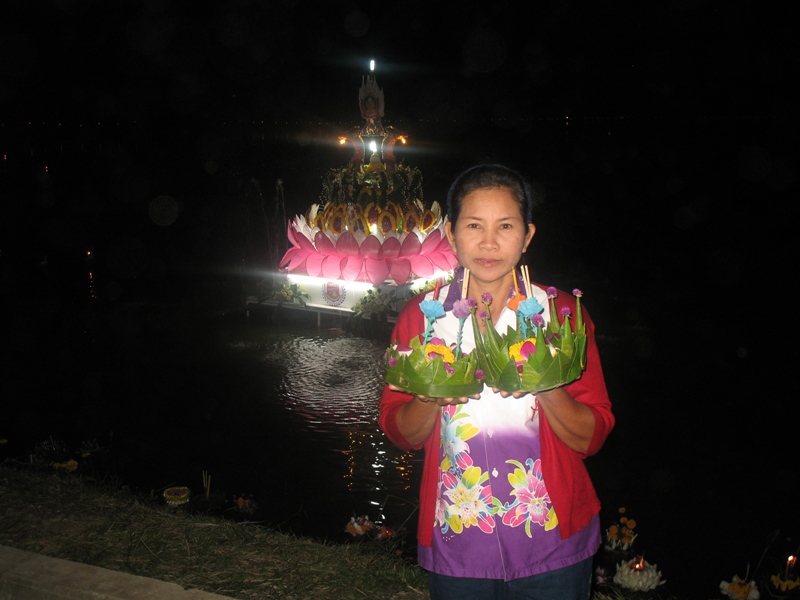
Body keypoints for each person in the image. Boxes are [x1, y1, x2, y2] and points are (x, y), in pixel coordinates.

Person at [379, 163, 614, 600]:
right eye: (474, 225)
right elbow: (401, 431)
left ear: (526, 236)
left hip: (554, 541)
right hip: (458, 538)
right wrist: (433, 391)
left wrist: (545, 381)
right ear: (450, 233)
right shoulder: (423, 317)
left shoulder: (562, 315)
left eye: (506, 226)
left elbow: (592, 436)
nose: (489, 242)